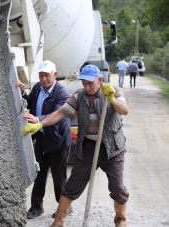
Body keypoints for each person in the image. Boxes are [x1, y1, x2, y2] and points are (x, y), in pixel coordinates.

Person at [22, 65, 129, 227]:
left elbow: (125, 110)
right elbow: (60, 113)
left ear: (99, 80)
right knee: (71, 185)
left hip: (112, 149)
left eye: (90, 83)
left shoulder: (114, 91)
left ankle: (120, 220)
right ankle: (58, 222)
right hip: (87, 148)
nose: (86, 87)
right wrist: (40, 123)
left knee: (117, 187)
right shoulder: (79, 95)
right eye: (84, 83)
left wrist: (113, 100)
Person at [16, 60, 72, 219]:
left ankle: (64, 208)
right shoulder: (38, 87)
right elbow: (30, 100)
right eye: (41, 75)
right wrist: (22, 93)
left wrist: (37, 119)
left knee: (58, 177)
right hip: (41, 137)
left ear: (55, 74)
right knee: (38, 173)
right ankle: (36, 207)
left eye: (47, 75)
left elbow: (57, 115)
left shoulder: (61, 93)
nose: (43, 79)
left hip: (57, 140)